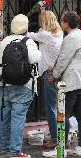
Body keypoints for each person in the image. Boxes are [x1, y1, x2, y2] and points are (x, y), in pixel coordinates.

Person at [0, 14, 42, 158]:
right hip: (23, 86)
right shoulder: (28, 42)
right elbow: (35, 59)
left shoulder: (4, 41)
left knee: (5, 115)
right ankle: (15, 151)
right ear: (26, 27)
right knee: (18, 117)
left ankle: (4, 147)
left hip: (4, 84)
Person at [49, 11, 81, 157]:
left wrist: (54, 75)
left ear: (67, 23)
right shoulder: (80, 35)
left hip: (73, 81)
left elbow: (63, 59)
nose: (61, 22)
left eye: (62, 20)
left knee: (63, 114)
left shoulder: (71, 38)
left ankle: (62, 148)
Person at [27, 10, 63, 149]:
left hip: (49, 75)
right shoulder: (59, 34)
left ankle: (55, 138)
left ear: (44, 22)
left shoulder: (45, 35)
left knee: (51, 108)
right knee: (58, 107)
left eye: (41, 21)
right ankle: (60, 135)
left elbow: (28, 35)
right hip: (57, 73)